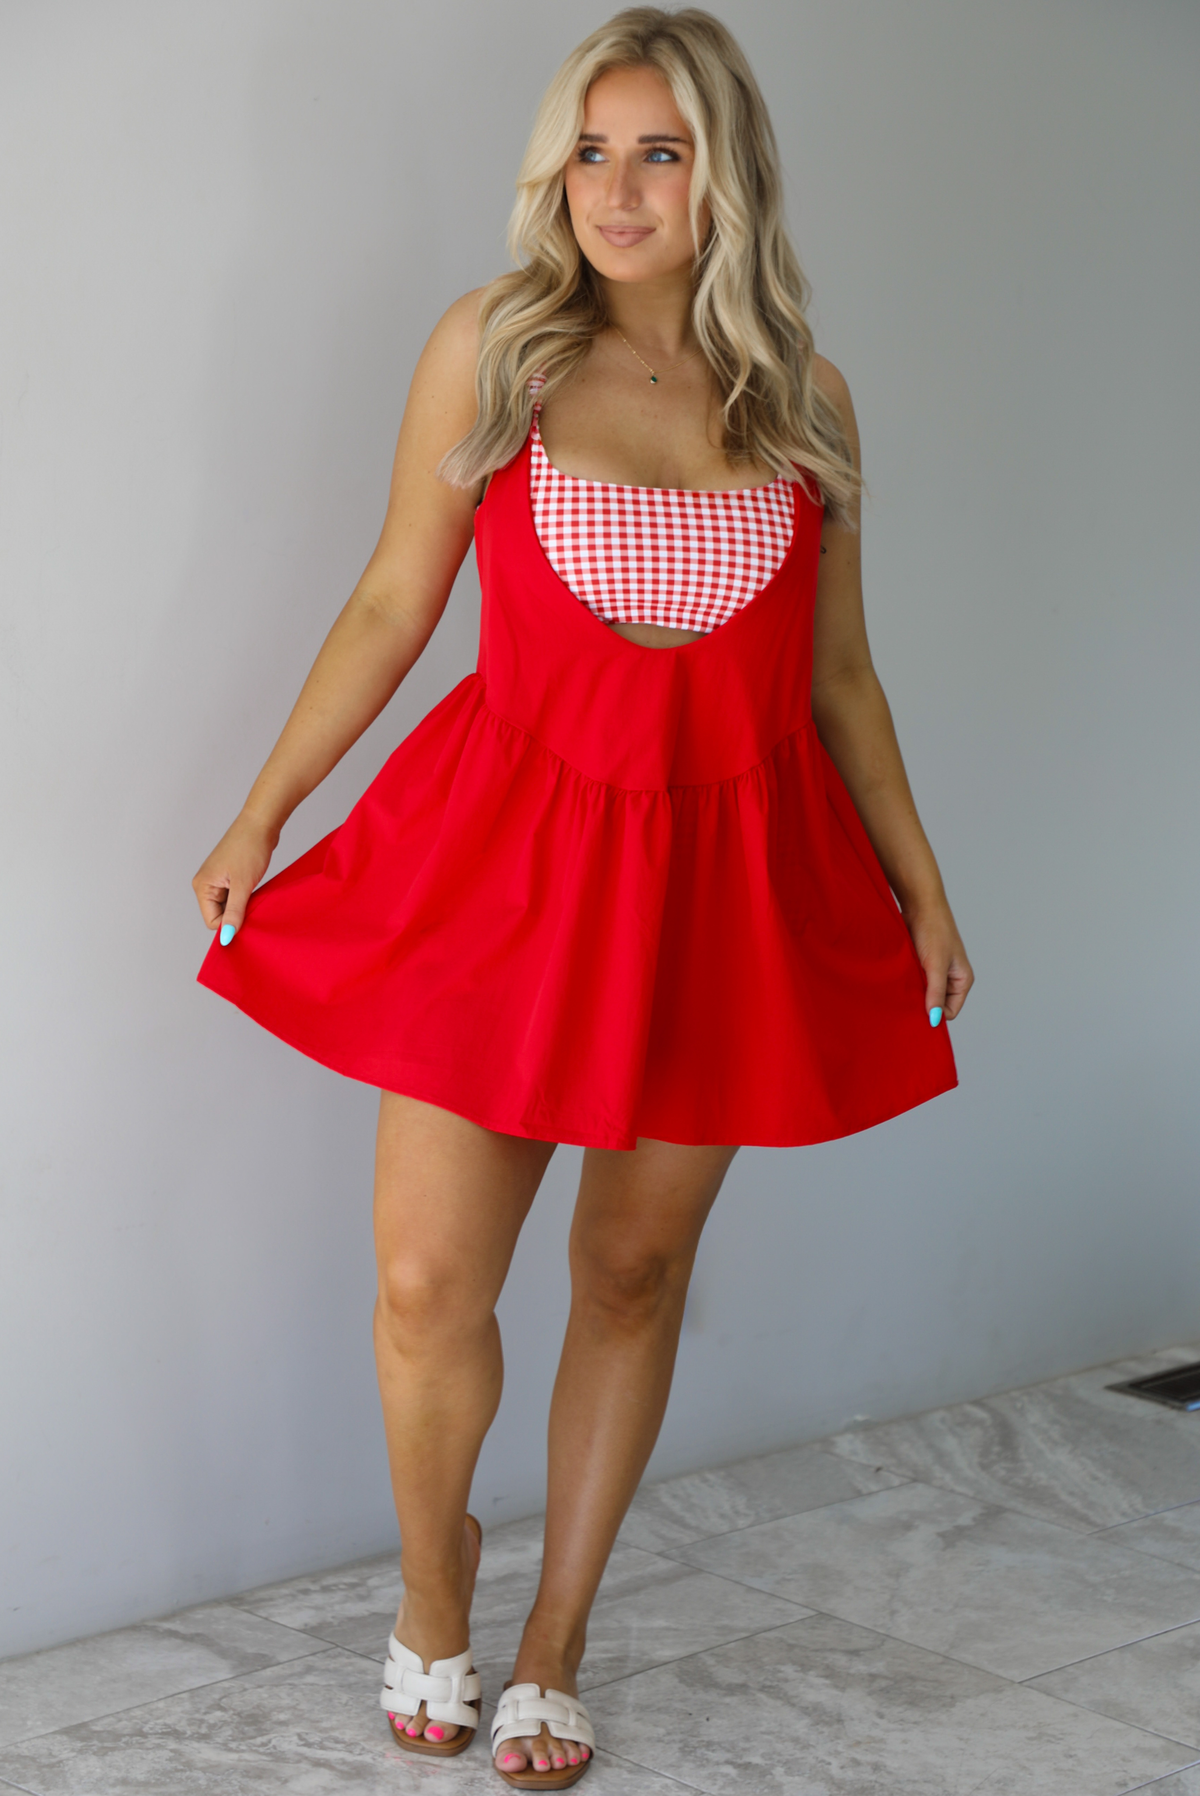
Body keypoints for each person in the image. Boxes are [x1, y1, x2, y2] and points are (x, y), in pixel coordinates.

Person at [192, 7, 973, 1785]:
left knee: (630, 1272)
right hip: (503, 868)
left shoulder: (807, 402)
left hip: (722, 884)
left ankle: (557, 1640)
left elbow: (839, 680)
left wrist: (922, 883)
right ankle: (438, 1581)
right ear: (556, 169)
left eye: (661, 152)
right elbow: (396, 598)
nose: (617, 190)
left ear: (727, 176)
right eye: (592, 151)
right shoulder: (495, 353)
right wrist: (263, 809)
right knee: (422, 1278)